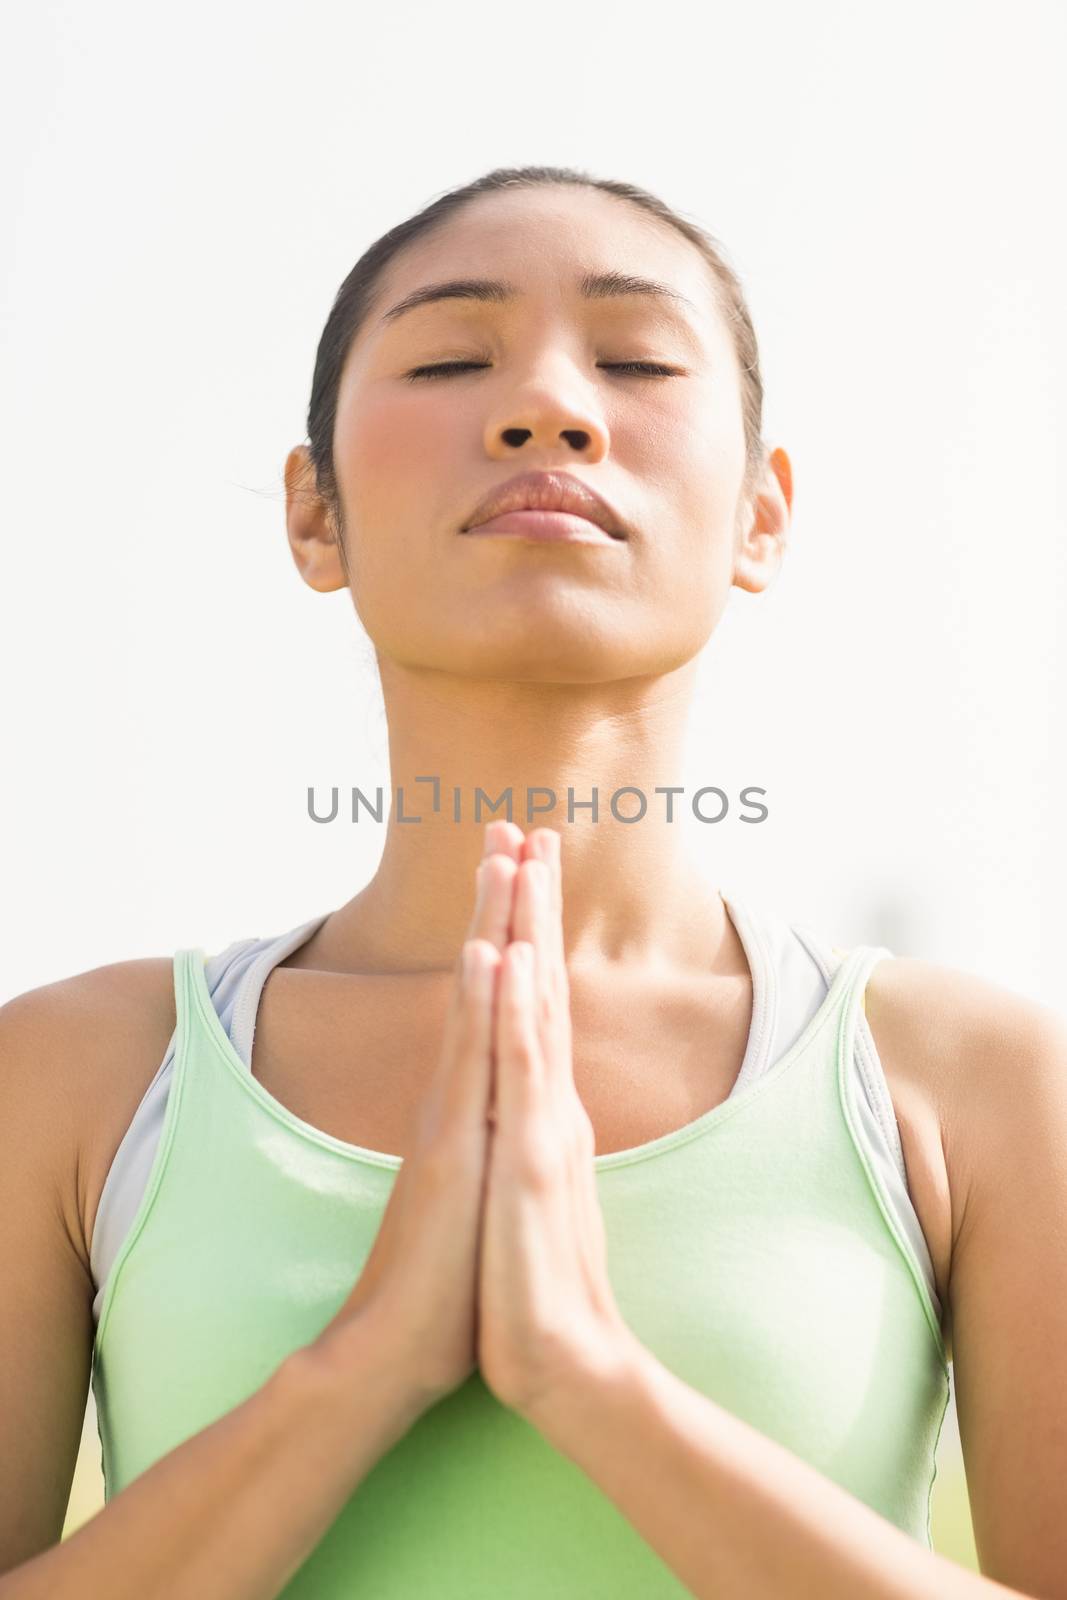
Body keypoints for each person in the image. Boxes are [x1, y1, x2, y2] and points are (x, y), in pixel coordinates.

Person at [2, 163, 1065, 1600]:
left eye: (634, 361)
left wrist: (592, 1380)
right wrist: (359, 1369)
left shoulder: (981, 1082)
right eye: (450, 359)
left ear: (762, 513)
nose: (548, 409)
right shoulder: (73, 1077)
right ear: (314, 514)